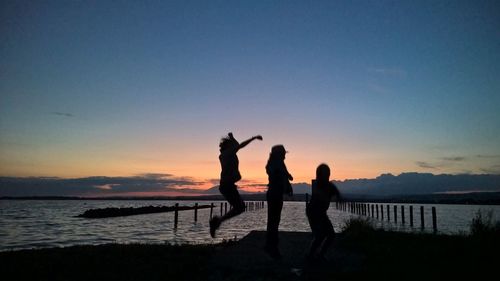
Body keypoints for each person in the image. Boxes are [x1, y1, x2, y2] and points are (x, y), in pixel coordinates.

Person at [209, 132, 263, 238]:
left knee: (239, 207)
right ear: (229, 146)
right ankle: (217, 221)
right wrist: (254, 138)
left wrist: (232, 138)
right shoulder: (228, 153)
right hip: (227, 185)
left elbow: (237, 145)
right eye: (233, 144)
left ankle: (217, 221)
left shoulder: (226, 154)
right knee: (240, 207)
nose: (235, 146)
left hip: (227, 185)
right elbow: (240, 145)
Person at [306, 163, 341, 261]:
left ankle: (320, 254)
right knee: (320, 235)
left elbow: (337, 193)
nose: (327, 176)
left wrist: (339, 197)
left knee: (331, 235)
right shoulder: (317, 184)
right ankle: (310, 255)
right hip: (313, 213)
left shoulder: (329, 185)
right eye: (324, 174)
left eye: (328, 174)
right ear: (319, 175)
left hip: (321, 213)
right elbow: (319, 195)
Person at [264, 144, 293, 259]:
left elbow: (285, 177)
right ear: (279, 154)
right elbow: (275, 173)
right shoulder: (274, 164)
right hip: (274, 195)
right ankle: (272, 248)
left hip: (276, 194)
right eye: (283, 154)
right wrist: (285, 175)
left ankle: (270, 245)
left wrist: (287, 182)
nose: (285, 156)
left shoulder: (278, 163)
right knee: (274, 221)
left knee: (274, 221)